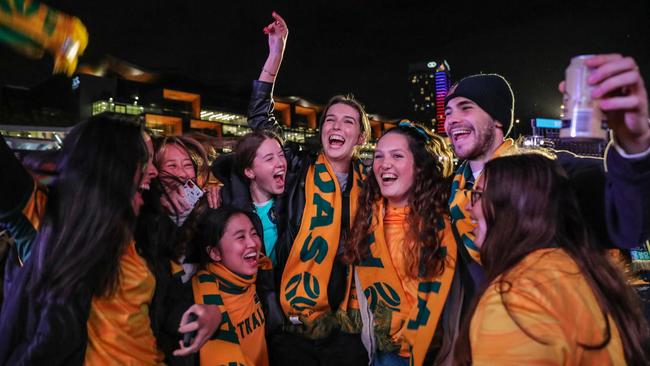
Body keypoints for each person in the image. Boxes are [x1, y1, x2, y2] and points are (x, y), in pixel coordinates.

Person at [238, 12, 370, 365]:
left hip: (345, 328)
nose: (336, 126)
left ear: (360, 137)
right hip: (291, 327)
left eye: (348, 121)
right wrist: (275, 55)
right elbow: (260, 122)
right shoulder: (298, 168)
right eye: (330, 119)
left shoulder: (371, 185)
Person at [444, 54, 650, 269]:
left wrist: (634, 144)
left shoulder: (551, 173)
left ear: (497, 120)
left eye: (465, 107)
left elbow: (630, 225)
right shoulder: (447, 193)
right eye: (448, 112)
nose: (452, 119)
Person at [453, 153, 650, 365]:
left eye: (479, 195)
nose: (468, 207)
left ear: (517, 208)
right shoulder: (585, 274)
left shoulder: (519, 298)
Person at [345, 122, 472, 366]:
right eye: (378, 156)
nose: (385, 164)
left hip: (434, 354)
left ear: (420, 166)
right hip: (381, 352)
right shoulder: (365, 220)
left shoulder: (449, 220)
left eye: (397, 155)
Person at [185, 206, 272, 365]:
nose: (252, 242)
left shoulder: (255, 275)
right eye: (240, 237)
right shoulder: (200, 306)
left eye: (254, 233)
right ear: (215, 253)